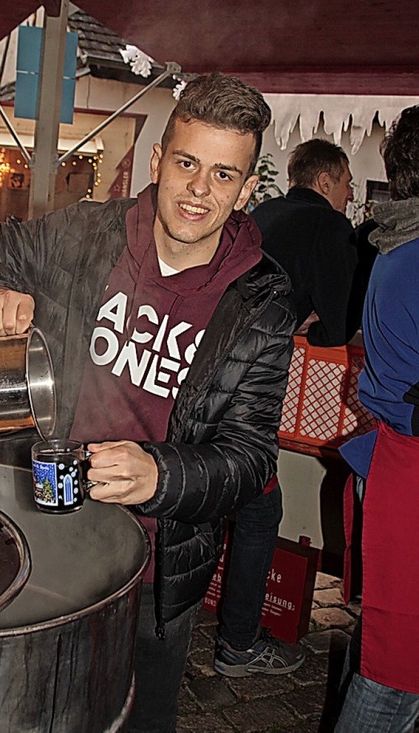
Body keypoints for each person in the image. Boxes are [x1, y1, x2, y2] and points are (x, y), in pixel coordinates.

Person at [0, 72, 295, 733]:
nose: (198, 191)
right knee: (30, 709)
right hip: (51, 537)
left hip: (158, 568)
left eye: (222, 175)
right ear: (157, 160)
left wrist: (162, 473)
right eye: (186, 163)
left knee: (138, 718)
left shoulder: (263, 299)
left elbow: (251, 455)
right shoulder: (90, 233)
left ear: (245, 187)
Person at [213, 139, 360, 677]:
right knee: (259, 509)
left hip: (206, 375)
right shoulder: (329, 228)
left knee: (208, 499)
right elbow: (340, 325)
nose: (349, 194)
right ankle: (237, 645)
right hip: (248, 387)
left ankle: (175, 621)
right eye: (346, 183)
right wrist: (312, 324)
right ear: (325, 181)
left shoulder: (262, 212)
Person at [334, 106, 419, 733]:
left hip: (392, 463)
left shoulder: (394, 248)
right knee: (397, 672)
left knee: (390, 651)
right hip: (409, 472)